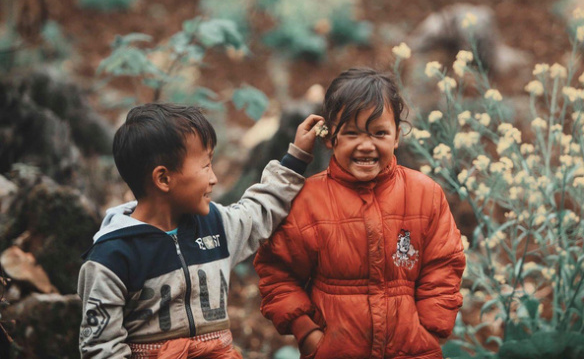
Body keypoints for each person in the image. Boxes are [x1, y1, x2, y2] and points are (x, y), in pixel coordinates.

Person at [78, 103, 324, 359]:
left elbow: (258, 211)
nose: (214, 178)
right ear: (163, 179)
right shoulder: (111, 258)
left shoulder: (216, 225)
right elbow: (101, 347)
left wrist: (295, 159)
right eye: (206, 165)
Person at [254, 68, 466, 359]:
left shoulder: (424, 194)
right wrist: (307, 332)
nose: (366, 145)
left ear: (397, 136)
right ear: (329, 138)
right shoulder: (307, 201)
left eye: (379, 132)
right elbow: (277, 273)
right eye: (352, 133)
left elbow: (444, 265)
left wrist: (430, 329)